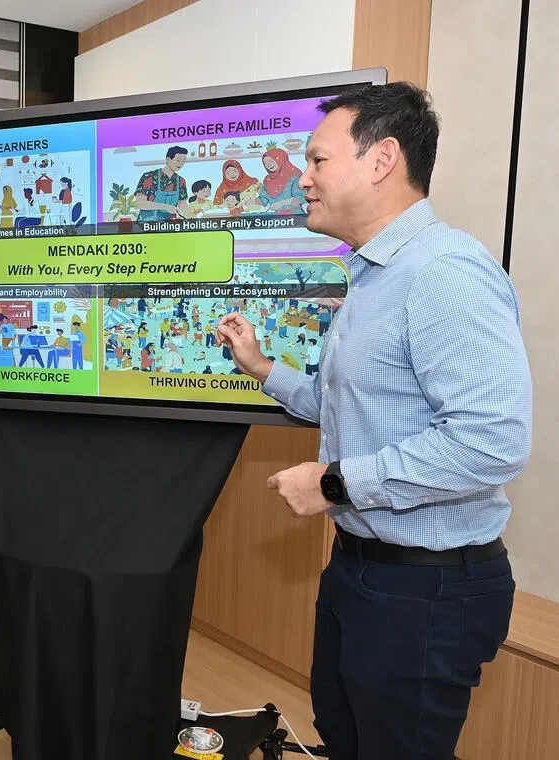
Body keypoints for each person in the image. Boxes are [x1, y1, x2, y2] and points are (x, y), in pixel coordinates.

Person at [215, 82, 531, 760]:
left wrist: (333, 484)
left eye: (317, 160)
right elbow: (347, 405)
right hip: (360, 570)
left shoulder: (445, 273)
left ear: (381, 159)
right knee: (346, 738)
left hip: (426, 589)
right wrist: (262, 368)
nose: (302, 178)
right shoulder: (373, 277)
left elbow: (491, 443)